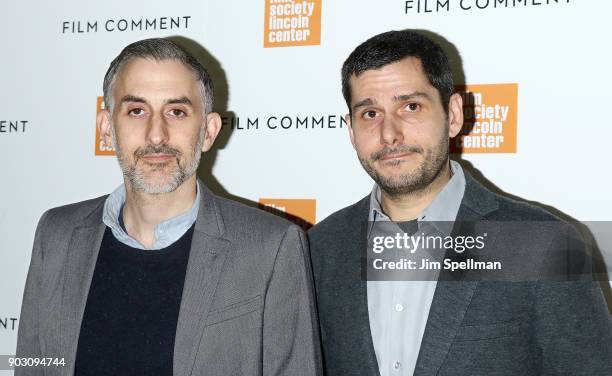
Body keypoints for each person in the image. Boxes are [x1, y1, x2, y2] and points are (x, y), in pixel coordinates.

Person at [308, 30, 612, 375]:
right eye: (370, 114)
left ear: (453, 115)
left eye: (410, 106)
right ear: (350, 130)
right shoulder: (320, 248)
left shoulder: (542, 244)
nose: (389, 134)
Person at [16, 38, 321, 376]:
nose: (156, 134)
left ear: (207, 131)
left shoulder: (271, 247)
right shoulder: (56, 234)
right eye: (136, 111)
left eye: (176, 112)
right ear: (106, 129)